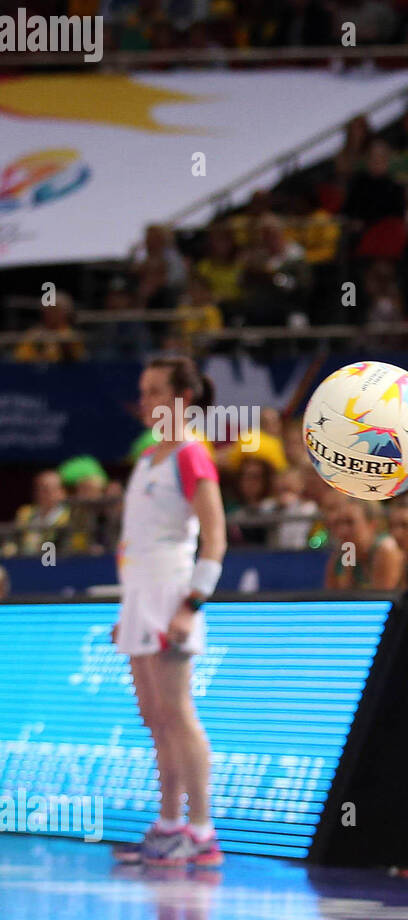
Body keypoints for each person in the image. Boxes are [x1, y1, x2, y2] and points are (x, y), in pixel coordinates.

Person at [111, 356, 227, 868]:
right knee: (155, 719)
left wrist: (189, 606)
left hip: (173, 597)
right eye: (142, 390)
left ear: (183, 399)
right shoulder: (146, 459)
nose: (145, 401)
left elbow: (215, 540)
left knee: (178, 715)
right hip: (140, 599)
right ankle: (168, 823)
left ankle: (202, 831)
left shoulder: (192, 455)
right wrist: (129, 607)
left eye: (156, 391)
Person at [324, 497, 402, 590]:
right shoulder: (344, 554)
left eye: (350, 522)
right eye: (338, 523)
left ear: (372, 524)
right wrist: (348, 568)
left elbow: (380, 600)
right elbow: (337, 598)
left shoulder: (386, 550)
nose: (342, 531)